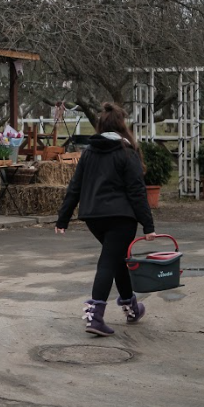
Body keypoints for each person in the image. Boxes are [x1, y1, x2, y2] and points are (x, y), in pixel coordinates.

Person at [55, 102, 157, 337]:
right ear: (123, 126)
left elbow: (75, 187)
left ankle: (132, 308)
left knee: (117, 258)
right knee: (109, 261)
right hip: (121, 218)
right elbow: (136, 191)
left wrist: (63, 218)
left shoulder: (89, 152)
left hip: (93, 217)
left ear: (100, 125)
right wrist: (148, 225)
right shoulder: (126, 152)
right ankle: (96, 316)